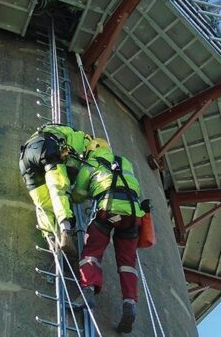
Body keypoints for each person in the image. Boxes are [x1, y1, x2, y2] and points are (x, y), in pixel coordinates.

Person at [71, 138, 145, 334]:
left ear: (90, 151)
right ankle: (130, 303)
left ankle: (88, 290)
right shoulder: (125, 162)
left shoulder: (91, 163)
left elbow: (78, 193)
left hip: (109, 210)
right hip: (133, 214)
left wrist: (79, 195)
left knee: (92, 251)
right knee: (128, 262)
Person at [19, 123, 91, 256]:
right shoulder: (82, 137)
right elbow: (73, 161)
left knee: (43, 203)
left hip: (25, 158)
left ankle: (50, 237)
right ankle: (65, 230)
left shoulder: (55, 129)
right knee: (59, 187)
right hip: (46, 147)